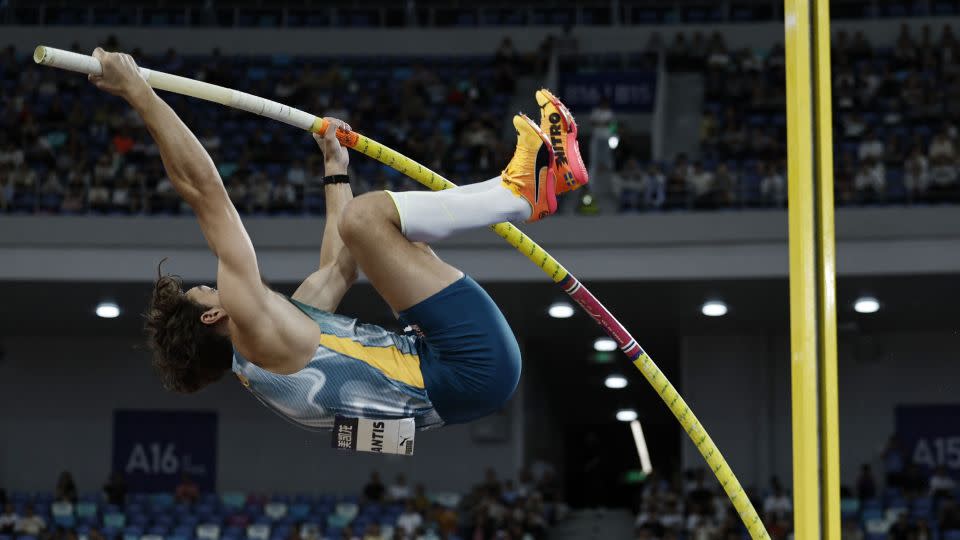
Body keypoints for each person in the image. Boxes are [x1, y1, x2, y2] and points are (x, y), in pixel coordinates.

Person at [87, 50, 587, 437]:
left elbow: (339, 268)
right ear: (214, 316)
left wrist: (334, 169)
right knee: (367, 218)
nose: (216, 287)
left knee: (362, 223)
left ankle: (524, 187)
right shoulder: (254, 325)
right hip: (466, 367)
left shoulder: (273, 349)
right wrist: (139, 94)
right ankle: (519, 192)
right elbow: (204, 194)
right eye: (207, 292)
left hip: (464, 376)